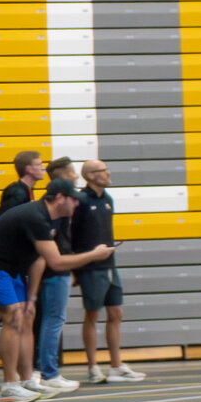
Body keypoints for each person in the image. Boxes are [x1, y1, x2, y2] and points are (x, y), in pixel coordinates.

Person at [0, 179, 113, 402]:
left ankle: (27, 381)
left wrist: (32, 297)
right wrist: (94, 255)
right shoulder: (36, 217)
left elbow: (38, 259)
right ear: (59, 198)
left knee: (26, 316)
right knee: (14, 318)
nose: (77, 202)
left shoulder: (53, 219)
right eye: (72, 198)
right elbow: (56, 262)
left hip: (12, 268)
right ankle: (9, 386)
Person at [73, 159, 142, 383]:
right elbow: (73, 235)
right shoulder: (81, 201)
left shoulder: (108, 199)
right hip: (91, 267)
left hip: (110, 264)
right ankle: (93, 367)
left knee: (116, 313)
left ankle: (116, 365)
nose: (108, 173)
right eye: (103, 170)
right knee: (92, 314)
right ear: (91, 175)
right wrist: (76, 267)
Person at [26, 156, 81, 396]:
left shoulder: (54, 210)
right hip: (54, 270)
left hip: (57, 268)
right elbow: (44, 252)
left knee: (51, 319)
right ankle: (48, 371)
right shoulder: (53, 212)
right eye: (72, 174)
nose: (76, 177)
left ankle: (43, 370)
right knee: (54, 319)